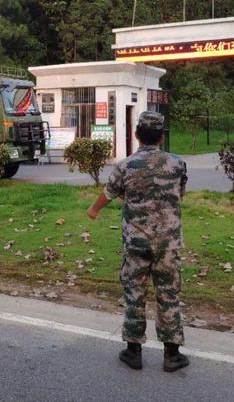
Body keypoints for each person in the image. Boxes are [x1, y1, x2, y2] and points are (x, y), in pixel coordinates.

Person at [86, 111, 189, 373]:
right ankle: (172, 354)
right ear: (162, 135)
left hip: (136, 243)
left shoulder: (126, 166)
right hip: (167, 243)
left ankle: (133, 352)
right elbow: (179, 194)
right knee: (168, 294)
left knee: (134, 293)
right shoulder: (177, 164)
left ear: (136, 134)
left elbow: (109, 193)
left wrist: (93, 210)